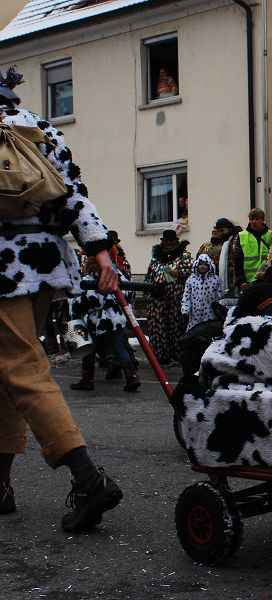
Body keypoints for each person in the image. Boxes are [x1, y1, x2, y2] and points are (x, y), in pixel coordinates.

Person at [0, 75, 123, 531]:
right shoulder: (39, 127)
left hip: (2, 269)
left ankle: (88, 478)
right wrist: (100, 251)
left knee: (22, 370)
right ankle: (1, 486)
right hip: (44, 267)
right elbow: (74, 193)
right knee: (9, 372)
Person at [69, 257, 140, 393]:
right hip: (116, 319)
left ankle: (87, 379)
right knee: (119, 347)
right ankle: (132, 377)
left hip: (97, 321)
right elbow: (129, 294)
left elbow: (82, 303)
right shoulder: (118, 276)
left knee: (89, 349)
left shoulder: (89, 281)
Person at [145, 229, 192, 364]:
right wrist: (150, 288)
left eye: (172, 241)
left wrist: (179, 273)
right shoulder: (156, 257)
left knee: (177, 326)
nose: (170, 243)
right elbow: (149, 276)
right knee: (158, 327)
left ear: (176, 241)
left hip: (177, 298)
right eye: (167, 241)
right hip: (158, 298)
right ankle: (161, 356)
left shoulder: (184, 255)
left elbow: (192, 272)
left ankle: (178, 355)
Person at [197, 217, 242, 296]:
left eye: (221, 230)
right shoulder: (205, 245)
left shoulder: (229, 243)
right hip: (206, 282)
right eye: (216, 229)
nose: (216, 231)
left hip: (226, 280)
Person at [231, 208, 272, 291]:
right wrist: (241, 281)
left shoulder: (270, 235)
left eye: (257, 219)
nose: (254, 222)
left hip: (267, 280)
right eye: (251, 219)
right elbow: (238, 260)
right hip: (248, 282)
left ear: (263, 220)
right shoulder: (242, 235)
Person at [181, 254, 221, 331]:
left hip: (210, 313)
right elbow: (186, 296)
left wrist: (218, 310)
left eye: (205, 264)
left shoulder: (215, 279)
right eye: (201, 264)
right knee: (194, 332)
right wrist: (185, 309)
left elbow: (219, 296)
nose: (203, 266)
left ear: (209, 265)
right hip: (195, 314)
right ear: (196, 265)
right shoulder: (191, 279)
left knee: (208, 333)